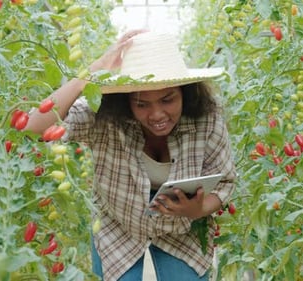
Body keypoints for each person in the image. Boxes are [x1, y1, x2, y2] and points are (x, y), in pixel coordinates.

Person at [25, 30, 236, 281]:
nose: (157, 114)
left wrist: (197, 209)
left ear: (185, 93)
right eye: (142, 104)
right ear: (126, 101)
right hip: (118, 226)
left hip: (181, 229)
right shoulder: (103, 116)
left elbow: (224, 183)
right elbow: (34, 126)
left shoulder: (207, 119)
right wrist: (92, 71)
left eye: (167, 100)